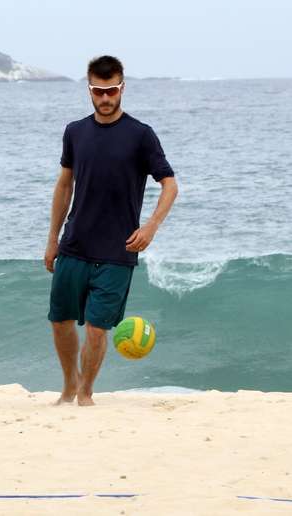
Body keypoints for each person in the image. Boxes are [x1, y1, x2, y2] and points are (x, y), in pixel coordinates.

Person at [44, 56, 179, 406]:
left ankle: (86, 393)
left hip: (118, 250)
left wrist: (150, 226)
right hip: (74, 244)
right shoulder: (75, 131)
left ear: (122, 88)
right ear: (89, 90)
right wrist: (52, 240)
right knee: (60, 321)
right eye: (99, 91)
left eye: (112, 90)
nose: (106, 98)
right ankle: (69, 385)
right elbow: (63, 187)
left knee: (97, 327)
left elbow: (170, 185)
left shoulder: (141, 135)